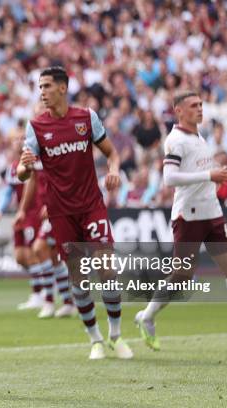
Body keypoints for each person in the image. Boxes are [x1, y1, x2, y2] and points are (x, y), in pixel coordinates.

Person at [136, 91, 227, 350]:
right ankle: (146, 317)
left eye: (201, 105)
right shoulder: (176, 140)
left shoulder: (198, 135)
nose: (200, 109)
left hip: (212, 213)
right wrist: (209, 175)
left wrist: (213, 175)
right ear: (179, 111)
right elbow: (170, 178)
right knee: (181, 275)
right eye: (193, 106)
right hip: (188, 215)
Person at [17, 66, 133, 360]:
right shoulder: (35, 126)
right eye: (39, 87)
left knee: (106, 267)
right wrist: (25, 167)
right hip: (60, 213)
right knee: (79, 278)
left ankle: (116, 335)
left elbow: (112, 153)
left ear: (62, 88)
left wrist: (114, 170)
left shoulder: (86, 118)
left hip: (91, 205)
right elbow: (22, 171)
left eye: (46, 86)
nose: (41, 92)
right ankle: (94, 339)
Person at [0, 133, 74, 318]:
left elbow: (62, 180)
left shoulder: (52, 154)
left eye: (22, 137)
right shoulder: (22, 163)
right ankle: (67, 301)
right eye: (15, 139)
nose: (20, 142)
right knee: (48, 256)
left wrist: (51, 204)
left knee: (39, 250)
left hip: (50, 211)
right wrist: (18, 209)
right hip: (35, 212)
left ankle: (46, 299)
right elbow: (27, 184)